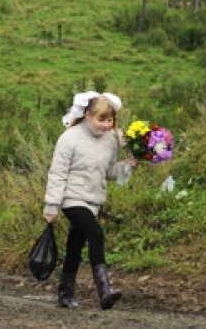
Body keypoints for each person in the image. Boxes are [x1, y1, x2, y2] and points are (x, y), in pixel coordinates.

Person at [43, 91, 138, 310]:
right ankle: (104, 290)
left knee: (75, 244)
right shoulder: (70, 138)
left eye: (110, 120)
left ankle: (65, 294)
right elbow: (57, 173)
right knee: (96, 232)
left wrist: (127, 167)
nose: (106, 125)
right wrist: (51, 206)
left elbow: (110, 172)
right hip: (71, 198)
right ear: (87, 115)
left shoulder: (111, 141)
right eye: (101, 119)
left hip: (93, 200)